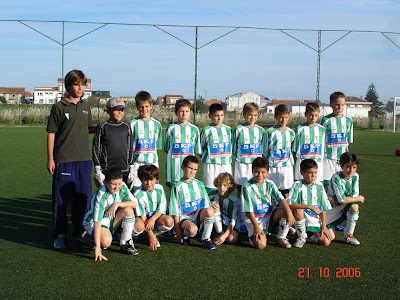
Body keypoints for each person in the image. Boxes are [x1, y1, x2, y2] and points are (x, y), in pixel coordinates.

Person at [46, 69, 95, 249]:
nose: (80, 88)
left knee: (83, 199)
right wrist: (50, 158)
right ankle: (60, 234)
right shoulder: (59, 107)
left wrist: (104, 127)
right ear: (68, 86)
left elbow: (88, 128)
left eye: (83, 84)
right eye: (76, 84)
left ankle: (79, 232)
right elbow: (51, 133)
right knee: (61, 200)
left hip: (84, 161)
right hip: (64, 160)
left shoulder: (86, 106)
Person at [83, 168, 138, 260]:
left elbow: (134, 203)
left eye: (119, 184)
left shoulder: (123, 187)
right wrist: (97, 248)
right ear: (105, 182)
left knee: (128, 210)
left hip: (109, 219)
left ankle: (125, 243)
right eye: (113, 184)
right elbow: (97, 222)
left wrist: (117, 204)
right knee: (106, 242)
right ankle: (91, 238)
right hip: (93, 222)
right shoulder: (101, 196)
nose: (117, 187)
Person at [241, 157, 295, 249]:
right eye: (257, 172)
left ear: (267, 172)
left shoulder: (270, 183)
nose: (260, 175)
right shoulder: (246, 187)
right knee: (261, 245)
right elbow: (248, 210)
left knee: (286, 210)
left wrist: (289, 212)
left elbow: (281, 199)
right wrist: (256, 227)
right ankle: (255, 234)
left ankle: (281, 237)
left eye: (263, 172)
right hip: (254, 220)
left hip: (268, 216)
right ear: (252, 171)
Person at [169, 156, 216, 249]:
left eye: (195, 169)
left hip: (198, 215)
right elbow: (174, 210)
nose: (192, 172)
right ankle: (185, 234)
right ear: (183, 167)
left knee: (210, 210)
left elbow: (207, 204)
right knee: (192, 230)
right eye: (190, 168)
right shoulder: (177, 187)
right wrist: (178, 230)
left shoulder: (200, 184)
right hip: (185, 217)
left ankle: (206, 239)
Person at [232, 102, 264, 231]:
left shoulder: (261, 130)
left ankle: (257, 220)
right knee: (241, 193)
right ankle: (241, 222)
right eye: (250, 115)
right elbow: (234, 148)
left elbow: (263, 149)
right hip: (242, 166)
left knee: (255, 193)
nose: (252, 118)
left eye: (255, 115)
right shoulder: (238, 129)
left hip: (255, 167)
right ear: (244, 115)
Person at [287, 159, 334, 248]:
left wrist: (324, 226)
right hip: (303, 217)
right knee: (298, 211)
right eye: (310, 173)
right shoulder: (297, 185)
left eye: (315, 172)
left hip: (316, 219)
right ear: (302, 173)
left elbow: (324, 207)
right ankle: (302, 237)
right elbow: (290, 204)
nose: (313, 176)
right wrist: (309, 207)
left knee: (327, 241)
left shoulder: (319, 186)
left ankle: (308, 233)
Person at [92, 97, 134, 187]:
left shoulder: (126, 127)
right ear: (109, 111)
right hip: (107, 170)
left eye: (122, 110)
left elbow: (130, 149)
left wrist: (132, 168)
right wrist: (97, 169)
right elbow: (96, 149)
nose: (120, 112)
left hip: (124, 170)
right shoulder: (102, 127)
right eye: (117, 110)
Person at [327, 152, 365, 245]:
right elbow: (342, 200)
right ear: (341, 166)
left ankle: (348, 235)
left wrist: (354, 198)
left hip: (342, 206)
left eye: (354, 167)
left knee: (354, 206)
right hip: (331, 209)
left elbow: (354, 196)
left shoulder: (355, 176)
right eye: (348, 167)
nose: (351, 170)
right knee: (329, 239)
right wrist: (359, 198)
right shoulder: (336, 177)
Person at [133, 164, 174, 250]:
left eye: (151, 180)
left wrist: (152, 219)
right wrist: (151, 236)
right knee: (138, 225)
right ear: (141, 179)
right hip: (143, 221)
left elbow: (161, 208)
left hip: (154, 220)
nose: (148, 183)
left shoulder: (159, 189)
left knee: (169, 221)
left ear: (156, 179)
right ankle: (144, 235)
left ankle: (151, 234)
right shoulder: (138, 194)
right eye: (145, 180)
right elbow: (142, 216)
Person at [128, 91, 162, 190]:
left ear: (151, 106)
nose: (144, 109)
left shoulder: (157, 124)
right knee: (135, 191)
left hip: (152, 164)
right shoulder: (132, 124)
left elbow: (157, 146)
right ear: (137, 107)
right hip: (137, 164)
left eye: (146, 106)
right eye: (141, 107)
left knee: (153, 191)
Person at [164, 99, 201, 188]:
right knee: (173, 193)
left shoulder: (194, 129)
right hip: (174, 168)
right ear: (176, 112)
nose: (184, 114)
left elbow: (196, 150)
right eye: (181, 111)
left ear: (190, 112)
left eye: (187, 111)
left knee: (188, 192)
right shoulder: (171, 128)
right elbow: (167, 148)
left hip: (189, 169)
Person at [320, 92, 353, 187]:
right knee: (327, 183)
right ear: (331, 105)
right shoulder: (325, 120)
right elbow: (322, 139)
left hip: (343, 159)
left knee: (341, 184)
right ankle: (326, 201)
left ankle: (340, 202)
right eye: (337, 105)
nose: (340, 107)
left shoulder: (348, 121)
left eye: (342, 105)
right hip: (328, 158)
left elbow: (348, 141)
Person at [263, 104, 295, 198]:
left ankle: (286, 211)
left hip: (287, 166)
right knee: (273, 192)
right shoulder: (269, 132)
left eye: (286, 117)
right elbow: (265, 151)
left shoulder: (291, 133)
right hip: (274, 166)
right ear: (275, 117)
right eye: (281, 117)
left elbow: (293, 150)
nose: (283, 120)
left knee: (287, 192)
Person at [200, 103, 232, 193]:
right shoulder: (206, 130)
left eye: (221, 115)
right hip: (211, 165)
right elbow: (201, 149)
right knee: (210, 190)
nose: (219, 118)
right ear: (210, 116)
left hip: (226, 165)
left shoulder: (228, 130)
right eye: (216, 115)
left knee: (225, 190)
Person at [292, 102, 326, 183]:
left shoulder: (322, 130)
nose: (313, 117)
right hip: (302, 162)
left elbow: (323, 149)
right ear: (305, 114)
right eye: (311, 115)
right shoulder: (300, 129)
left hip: (317, 164)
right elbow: (295, 149)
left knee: (316, 187)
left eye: (316, 115)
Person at [208, 173, 239, 245]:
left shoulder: (233, 201)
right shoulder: (211, 194)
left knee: (232, 239)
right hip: (215, 222)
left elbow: (233, 221)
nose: (222, 188)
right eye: (220, 185)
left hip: (229, 224)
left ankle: (220, 235)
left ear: (230, 186)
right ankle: (218, 232)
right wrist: (209, 203)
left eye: (225, 185)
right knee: (214, 205)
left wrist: (224, 236)